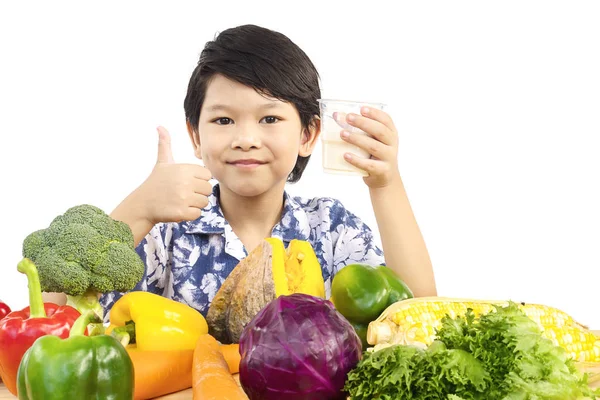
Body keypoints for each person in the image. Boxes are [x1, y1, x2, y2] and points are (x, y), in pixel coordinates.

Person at [44, 24, 437, 322]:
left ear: (308, 133)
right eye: (223, 120)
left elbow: (417, 316)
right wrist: (139, 209)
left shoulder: (331, 228)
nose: (246, 138)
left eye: (269, 118)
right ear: (195, 137)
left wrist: (386, 185)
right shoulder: (165, 231)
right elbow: (50, 322)